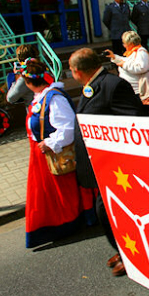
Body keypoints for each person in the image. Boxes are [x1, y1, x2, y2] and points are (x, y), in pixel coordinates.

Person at [69, 48, 149, 277]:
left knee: (111, 211)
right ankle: (124, 248)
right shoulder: (92, 86)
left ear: (77, 71)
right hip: (103, 165)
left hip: (119, 166)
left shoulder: (113, 85)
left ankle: (133, 254)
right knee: (110, 211)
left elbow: (135, 120)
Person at [21, 59, 90, 248]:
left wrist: (52, 143)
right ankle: (53, 225)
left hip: (54, 155)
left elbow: (68, 128)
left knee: (61, 193)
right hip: (40, 156)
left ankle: (67, 224)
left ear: (28, 83)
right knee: (48, 195)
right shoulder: (42, 96)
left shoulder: (54, 98)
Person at [105, 30, 149, 114]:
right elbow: (127, 60)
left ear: (130, 43)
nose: (123, 45)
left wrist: (124, 65)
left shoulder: (141, 52)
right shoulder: (133, 52)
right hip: (133, 91)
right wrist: (114, 57)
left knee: (141, 114)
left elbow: (141, 68)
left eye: (124, 43)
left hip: (139, 91)